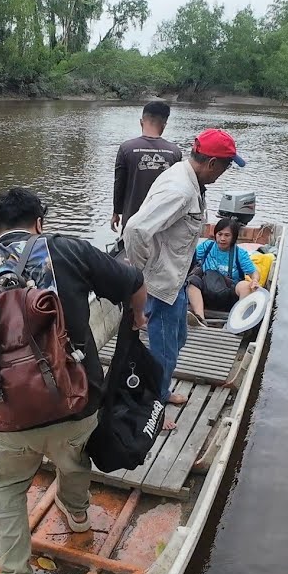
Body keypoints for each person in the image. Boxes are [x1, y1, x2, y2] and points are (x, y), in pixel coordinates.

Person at [0, 187, 148, 574]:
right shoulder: (68, 251)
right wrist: (137, 316)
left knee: (7, 490)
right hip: (76, 403)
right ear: (39, 223)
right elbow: (133, 282)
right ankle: (77, 517)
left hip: (9, 417)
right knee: (73, 459)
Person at [122, 128, 244, 428]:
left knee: (178, 338)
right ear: (212, 163)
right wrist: (140, 275)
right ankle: (153, 407)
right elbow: (135, 230)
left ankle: (161, 391)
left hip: (177, 280)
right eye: (226, 166)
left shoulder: (189, 178)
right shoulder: (180, 190)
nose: (224, 173)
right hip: (161, 284)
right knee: (163, 350)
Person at [111, 101, 182, 233]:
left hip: (132, 220)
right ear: (164, 125)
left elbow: (119, 184)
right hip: (162, 222)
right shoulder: (174, 152)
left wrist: (116, 212)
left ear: (141, 122)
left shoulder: (126, 148)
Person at [186, 217, 259, 325]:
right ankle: (200, 319)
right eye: (219, 234)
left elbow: (253, 272)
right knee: (192, 281)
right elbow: (188, 259)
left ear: (233, 237)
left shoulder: (240, 254)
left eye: (227, 235)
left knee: (245, 286)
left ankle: (238, 321)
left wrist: (255, 280)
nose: (222, 239)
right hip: (207, 290)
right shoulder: (207, 246)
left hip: (228, 293)